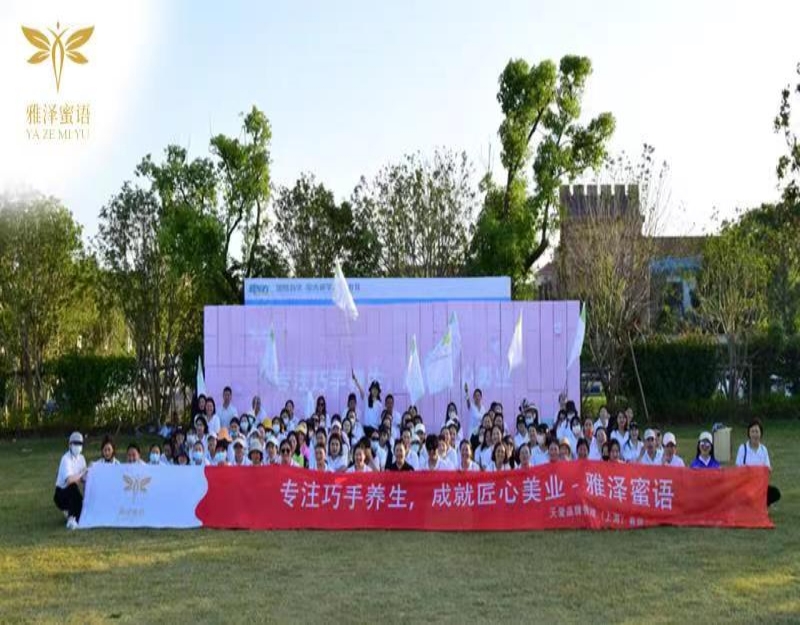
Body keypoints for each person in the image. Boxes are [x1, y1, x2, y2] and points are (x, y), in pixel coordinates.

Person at [735, 418, 781, 506]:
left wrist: (768, 470)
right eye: (752, 431)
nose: (755, 434)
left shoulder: (763, 449)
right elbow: (738, 469)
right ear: (749, 433)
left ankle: (761, 503)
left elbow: (767, 468)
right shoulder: (743, 448)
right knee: (746, 496)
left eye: (757, 431)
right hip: (746, 485)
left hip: (760, 485)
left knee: (776, 493)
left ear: (761, 433)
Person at [54, 432, 87, 530]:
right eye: (75, 443)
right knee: (73, 487)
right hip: (61, 494)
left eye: (80, 444)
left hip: (73, 491)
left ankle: (74, 514)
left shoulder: (82, 458)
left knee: (79, 500)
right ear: (70, 445)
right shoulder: (66, 459)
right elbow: (69, 480)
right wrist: (83, 472)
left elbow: (84, 479)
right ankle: (71, 519)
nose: (78, 446)